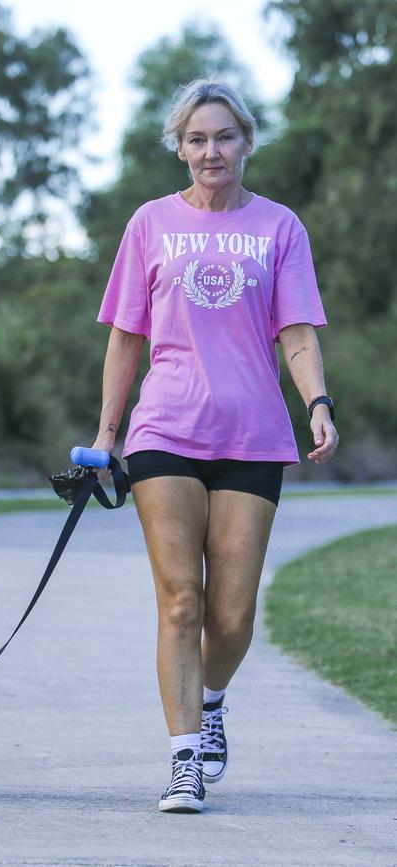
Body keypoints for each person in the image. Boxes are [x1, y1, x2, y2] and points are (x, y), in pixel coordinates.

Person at [92, 78, 338, 814]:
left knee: (231, 618)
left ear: (246, 143)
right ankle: (184, 760)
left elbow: (296, 331)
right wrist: (107, 433)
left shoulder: (279, 227)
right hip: (164, 429)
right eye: (196, 139)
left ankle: (213, 697)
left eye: (223, 136)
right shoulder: (150, 223)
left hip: (253, 435)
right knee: (181, 602)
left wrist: (317, 404)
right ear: (179, 147)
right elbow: (125, 336)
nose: (211, 151)